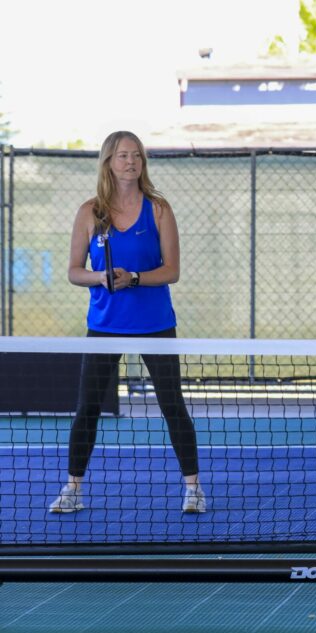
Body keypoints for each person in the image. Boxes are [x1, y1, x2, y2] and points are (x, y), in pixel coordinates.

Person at [48, 131, 206, 514]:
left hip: (155, 325)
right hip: (104, 325)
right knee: (87, 408)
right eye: (123, 155)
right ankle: (73, 489)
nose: (131, 162)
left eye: (136, 155)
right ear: (108, 161)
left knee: (172, 405)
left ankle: (194, 489)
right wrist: (101, 278)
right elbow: (74, 271)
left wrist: (133, 278)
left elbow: (172, 271)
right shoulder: (89, 212)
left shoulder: (159, 210)